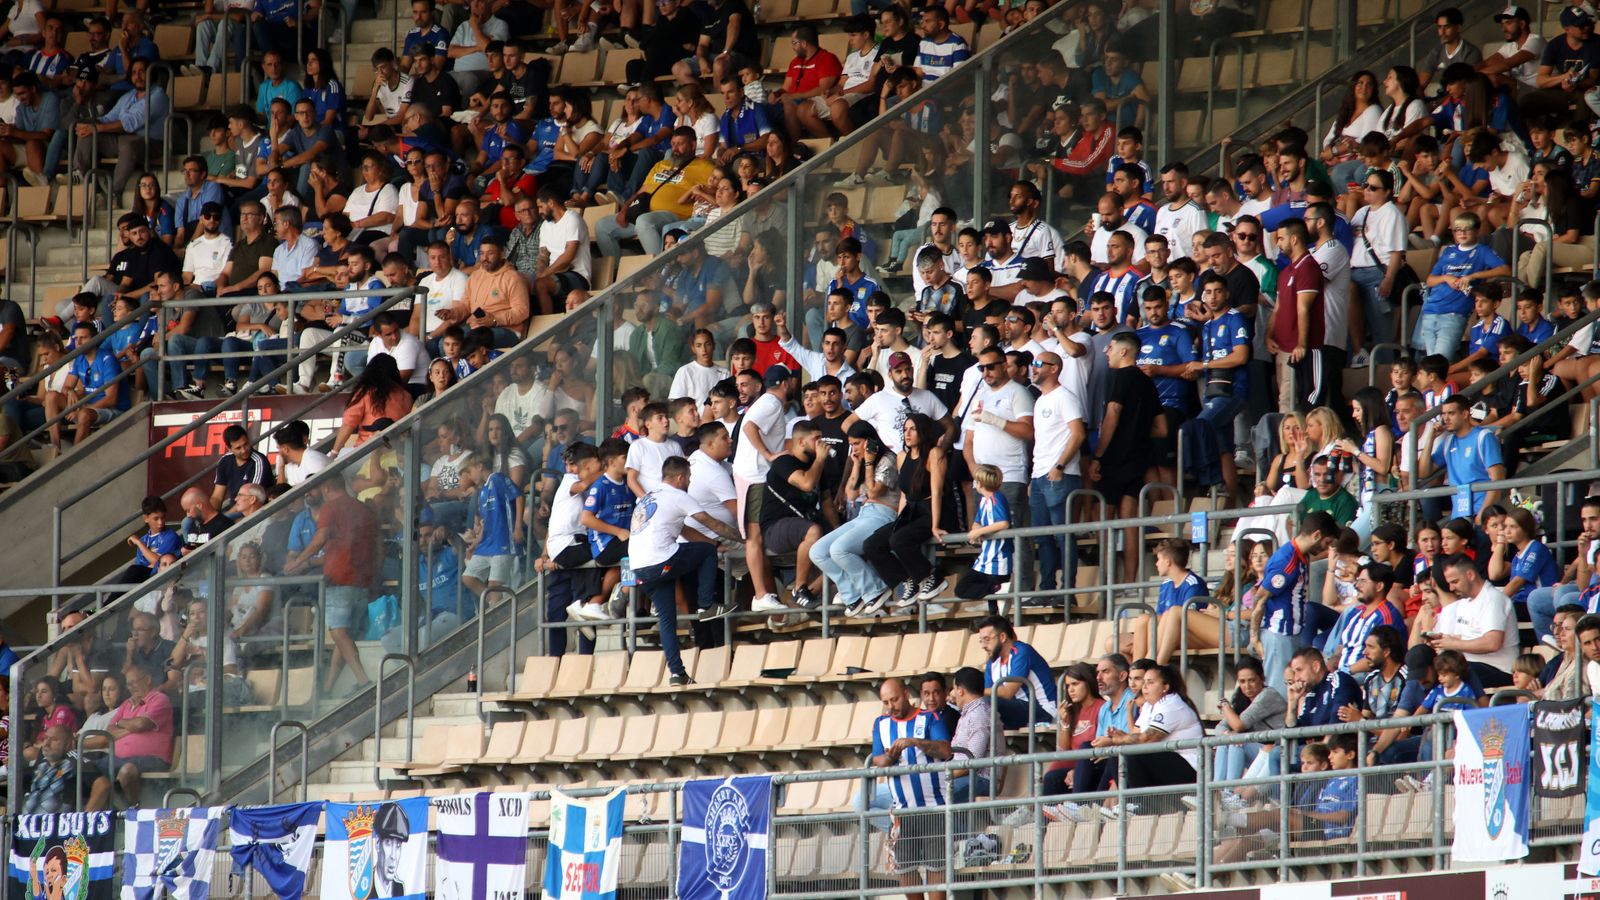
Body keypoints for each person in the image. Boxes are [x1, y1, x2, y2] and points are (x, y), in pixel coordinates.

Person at [629, 456, 743, 685]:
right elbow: (713, 525)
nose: (690, 482)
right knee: (706, 553)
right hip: (661, 561)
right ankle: (705, 605)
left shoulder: (648, 496)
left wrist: (710, 544)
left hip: (640, 568)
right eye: (689, 478)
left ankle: (677, 673)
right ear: (680, 477)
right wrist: (743, 540)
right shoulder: (679, 496)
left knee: (667, 620)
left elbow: (686, 532)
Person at [284, 480, 376, 694]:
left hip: (339, 578)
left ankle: (363, 682)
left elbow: (320, 538)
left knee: (338, 633)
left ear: (326, 487)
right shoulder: (363, 507)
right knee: (345, 636)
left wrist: (298, 562)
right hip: (362, 579)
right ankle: (328, 687)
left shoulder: (331, 507)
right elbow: (377, 545)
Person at [867, 676, 951, 900]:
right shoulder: (881, 724)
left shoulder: (930, 717)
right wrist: (890, 757)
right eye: (885, 702)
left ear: (906, 694)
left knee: (937, 868)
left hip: (935, 807)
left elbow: (945, 751)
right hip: (903, 811)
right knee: (905, 869)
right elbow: (878, 760)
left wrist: (916, 742)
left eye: (894, 699)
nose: (890, 706)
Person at [1249, 510, 1341, 694]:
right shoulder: (1287, 561)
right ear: (1316, 535)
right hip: (1279, 634)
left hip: (1292, 633)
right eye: (1326, 542)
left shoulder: (1299, 555)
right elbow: (1260, 598)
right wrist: (1255, 639)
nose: (1325, 548)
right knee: (1279, 694)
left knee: (1293, 692)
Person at [80, 663, 172, 810]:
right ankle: (87, 819)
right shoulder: (126, 704)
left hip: (151, 758)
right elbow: (110, 731)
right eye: (128, 684)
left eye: (134, 682)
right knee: (87, 769)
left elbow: (142, 723)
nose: (131, 687)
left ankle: (130, 808)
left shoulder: (159, 699)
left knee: (127, 770)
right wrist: (132, 727)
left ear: (147, 679)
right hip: (117, 758)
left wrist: (121, 723)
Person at [1430, 552, 1520, 688]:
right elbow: (1465, 638)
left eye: (1455, 582)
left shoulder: (1493, 599)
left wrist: (1453, 644)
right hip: (1469, 664)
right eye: (1449, 583)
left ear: (1470, 575)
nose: (1451, 588)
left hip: (1497, 669)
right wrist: (1445, 640)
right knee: (1424, 660)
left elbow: (1492, 643)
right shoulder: (1465, 603)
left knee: (1451, 673)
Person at [1420, 394, 1507, 521]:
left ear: (1465, 414)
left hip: (1483, 512)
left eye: (1451, 413)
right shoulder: (1448, 441)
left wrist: (1483, 512)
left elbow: (1497, 478)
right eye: (1443, 414)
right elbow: (1423, 472)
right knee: (1427, 494)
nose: (1445, 419)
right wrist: (1431, 438)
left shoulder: (1483, 437)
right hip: (1460, 512)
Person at [1211, 657, 1287, 784]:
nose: (1247, 686)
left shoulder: (1268, 695)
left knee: (1236, 743)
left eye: (1252, 680)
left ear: (1262, 678)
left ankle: (1229, 792)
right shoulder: (1241, 699)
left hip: (1277, 752)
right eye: (1242, 682)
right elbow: (1219, 728)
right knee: (1225, 743)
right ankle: (1216, 790)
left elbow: (1239, 725)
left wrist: (1225, 706)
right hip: (1258, 751)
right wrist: (1227, 734)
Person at [978, 614, 1058, 728]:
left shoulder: (1021, 652)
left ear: (1002, 637)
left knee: (989, 704)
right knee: (974, 705)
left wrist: (972, 690)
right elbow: (987, 693)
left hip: (1043, 710)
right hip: (1017, 712)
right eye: (981, 641)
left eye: (987, 639)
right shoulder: (992, 662)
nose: (983, 646)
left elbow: (1008, 692)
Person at [372, 802, 412, 897]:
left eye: (398, 845)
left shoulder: (400, 889)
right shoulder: (365, 890)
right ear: (378, 844)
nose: (393, 856)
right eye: (388, 843)